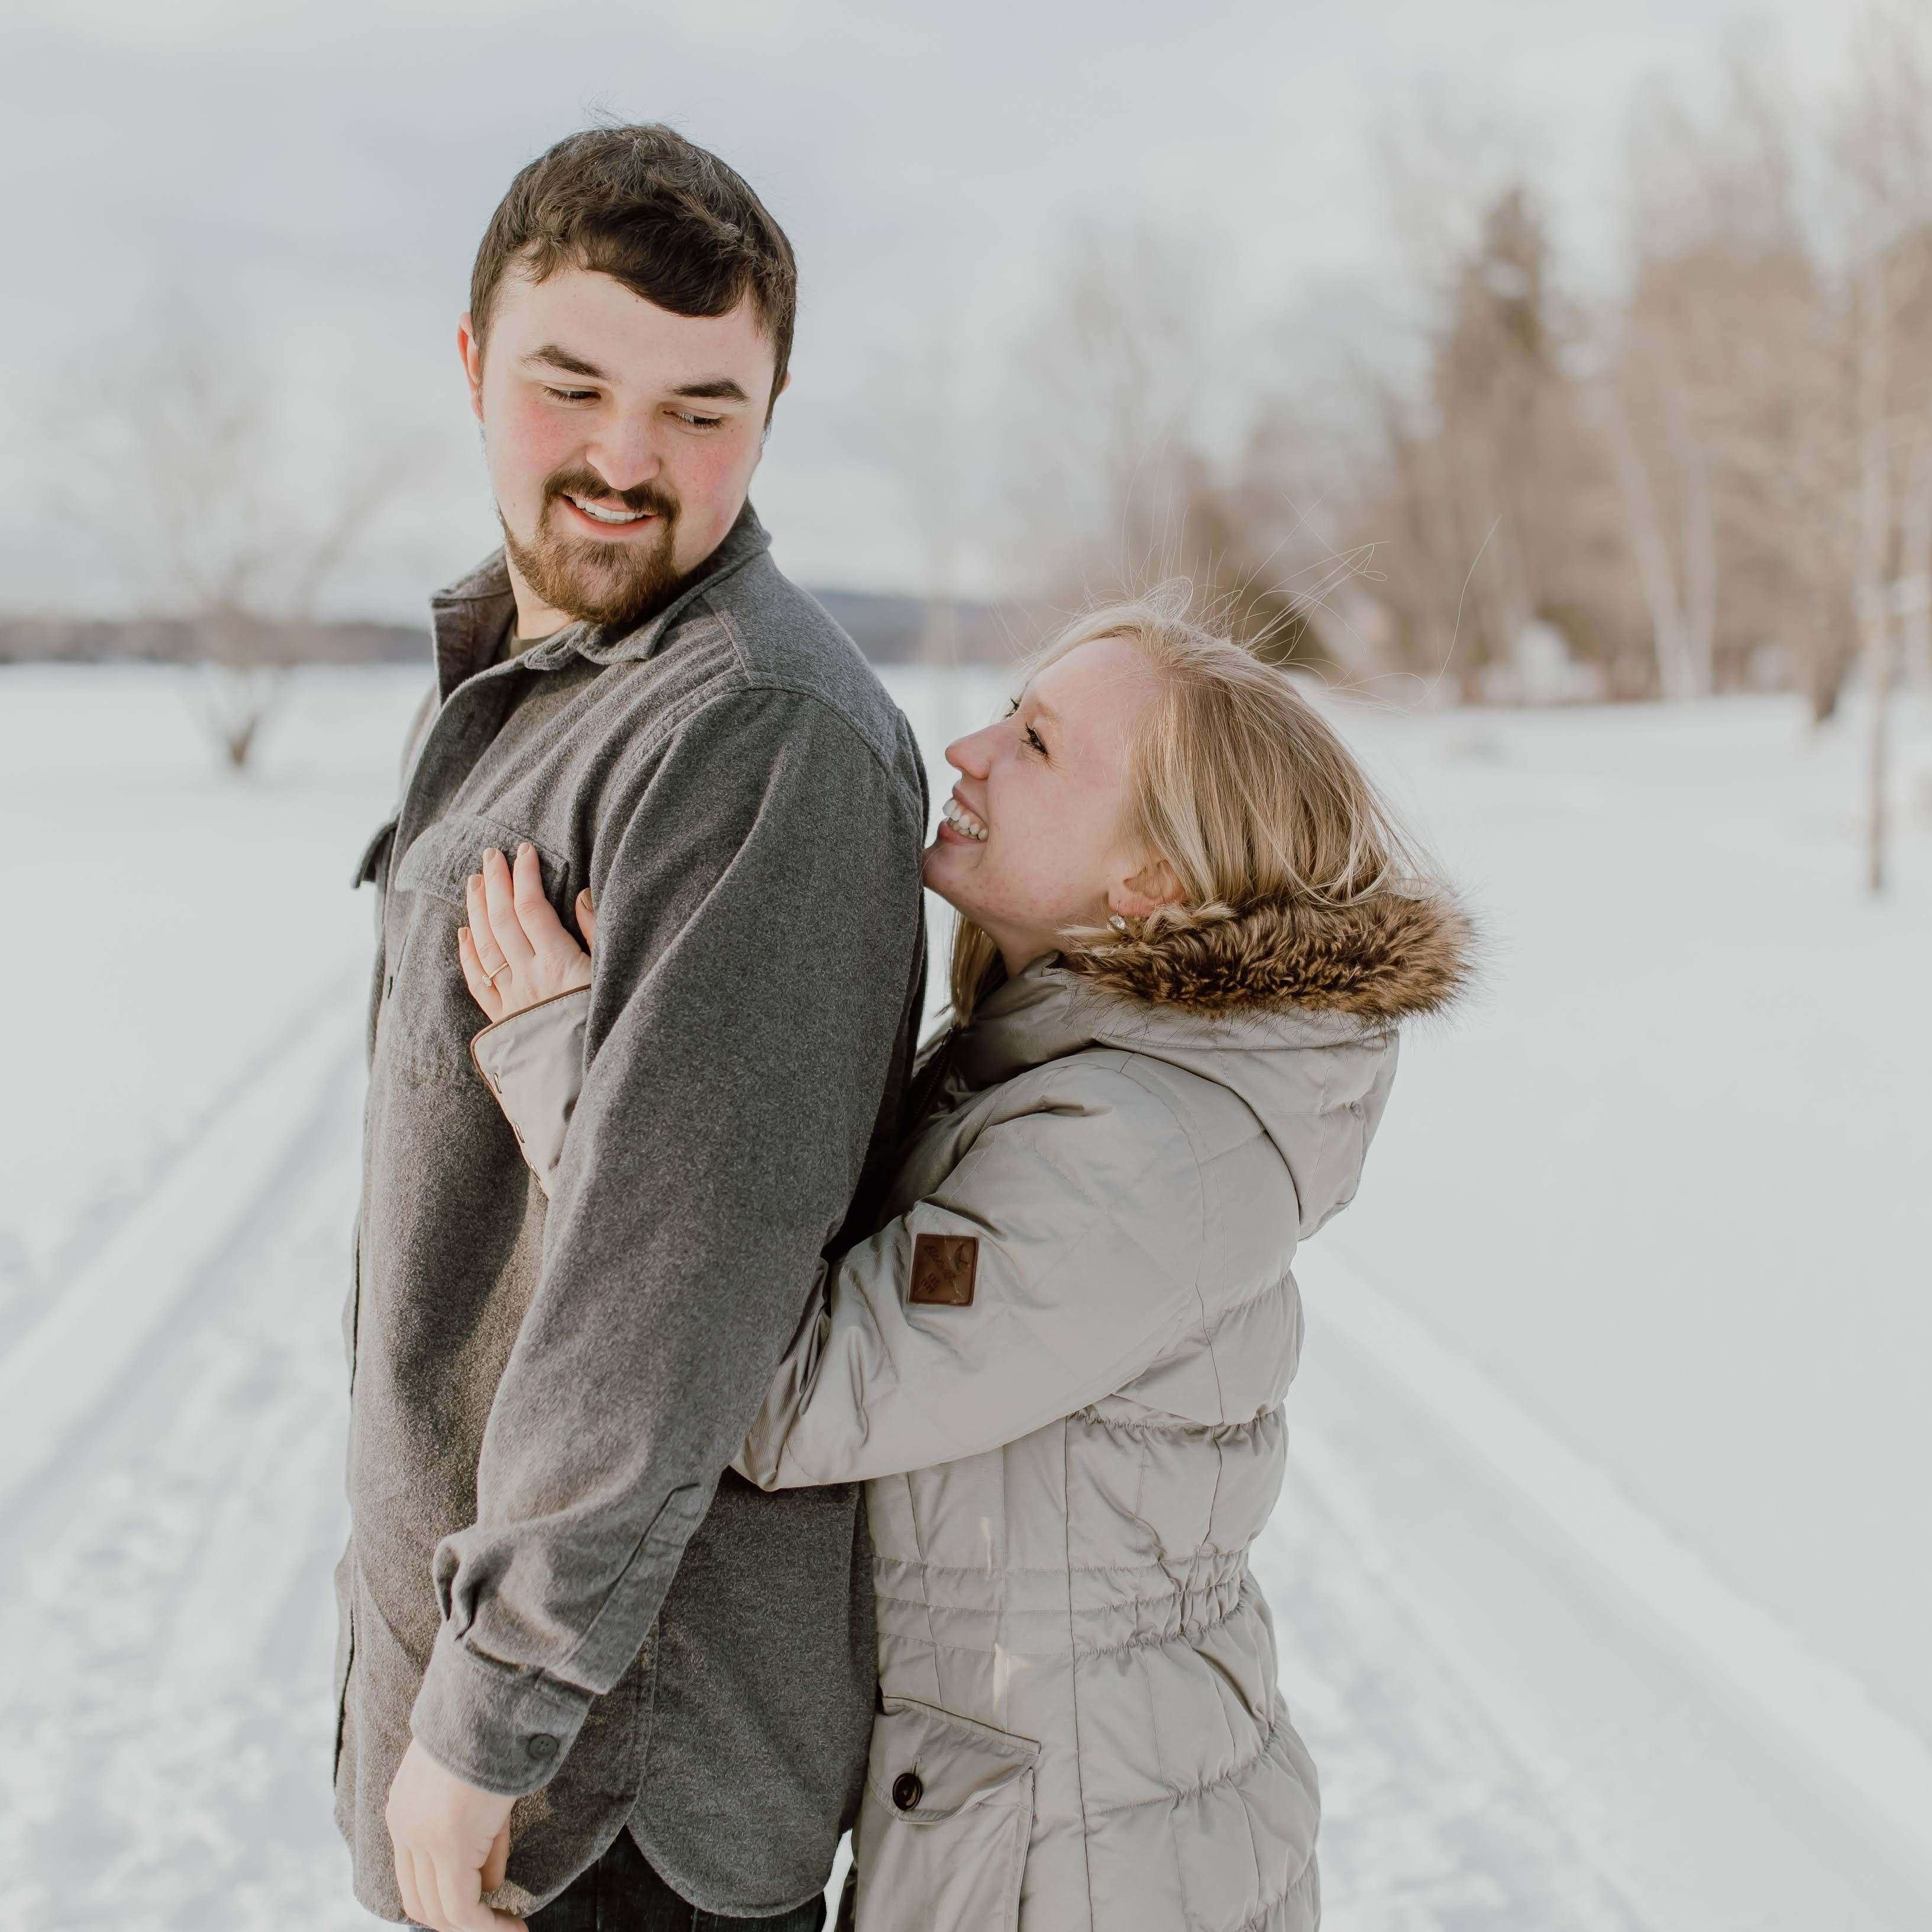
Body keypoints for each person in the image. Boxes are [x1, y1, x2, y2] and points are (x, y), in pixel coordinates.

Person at [460, 597, 1475, 1931]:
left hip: (1091, 1865)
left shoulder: (1141, 1148)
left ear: (1150, 885)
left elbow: (773, 1392)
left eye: (1038, 744)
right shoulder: (1061, 1060)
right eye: (1009, 709)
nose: (968, 748)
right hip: (1044, 1812)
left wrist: (569, 1066)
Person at [336, 125, 930, 1931]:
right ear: (469, 365)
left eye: (700, 407)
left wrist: (495, 1712)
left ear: (772, 410)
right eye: (570, 386)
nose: (624, 459)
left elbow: (676, 1280)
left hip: (613, 1796)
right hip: (507, 1736)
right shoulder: (544, 691)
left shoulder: (756, 734)